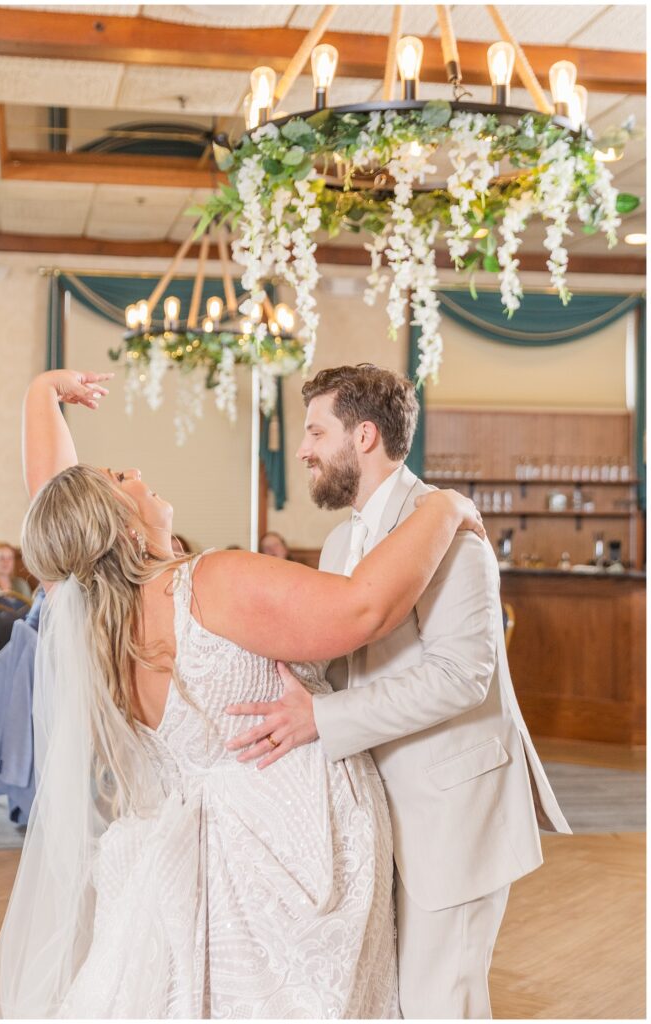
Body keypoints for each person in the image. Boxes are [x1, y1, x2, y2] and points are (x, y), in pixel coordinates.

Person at [0, 368, 485, 1020]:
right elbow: (364, 609)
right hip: (292, 850)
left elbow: (56, 506)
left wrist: (41, 394)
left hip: (209, 845)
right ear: (122, 526)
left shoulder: (89, 619)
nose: (133, 470)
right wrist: (446, 507)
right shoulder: (207, 584)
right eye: (118, 479)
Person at [227, 364, 571, 1020]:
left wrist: (322, 719)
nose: (302, 449)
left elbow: (461, 677)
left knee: (442, 1005)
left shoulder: (446, 530)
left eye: (314, 431)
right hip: (376, 814)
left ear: (363, 436)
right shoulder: (336, 543)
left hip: (453, 809)